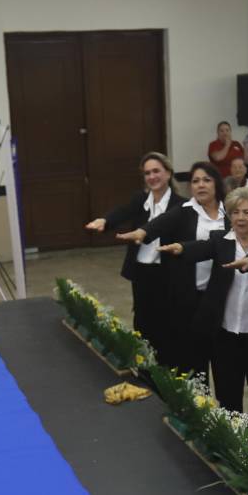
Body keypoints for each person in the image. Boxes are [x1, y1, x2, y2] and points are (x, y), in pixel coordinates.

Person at [164, 188, 248, 427]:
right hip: (225, 334)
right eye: (235, 212)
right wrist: (181, 248)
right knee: (228, 392)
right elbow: (201, 248)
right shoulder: (220, 241)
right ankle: (231, 437)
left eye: (247, 212)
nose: (241, 218)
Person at [88, 151, 186, 366]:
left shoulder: (181, 204)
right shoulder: (140, 200)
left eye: (156, 171)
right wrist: (105, 220)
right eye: (147, 173)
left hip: (166, 273)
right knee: (143, 324)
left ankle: (168, 371)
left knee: (167, 327)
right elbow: (122, 212)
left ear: (168, 173)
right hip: (142, 273)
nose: (152, 177)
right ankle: (146, 369)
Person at [148, 162, 228, 378]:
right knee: (193, 360)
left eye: (206, 180)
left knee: (223, 362)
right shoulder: (184, 212)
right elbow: (157, 225)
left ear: (216, 183)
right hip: (191, 296)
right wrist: (140, 233)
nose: (200, 185)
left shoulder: (230, 211)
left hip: (223, 295)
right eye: (195, 181)